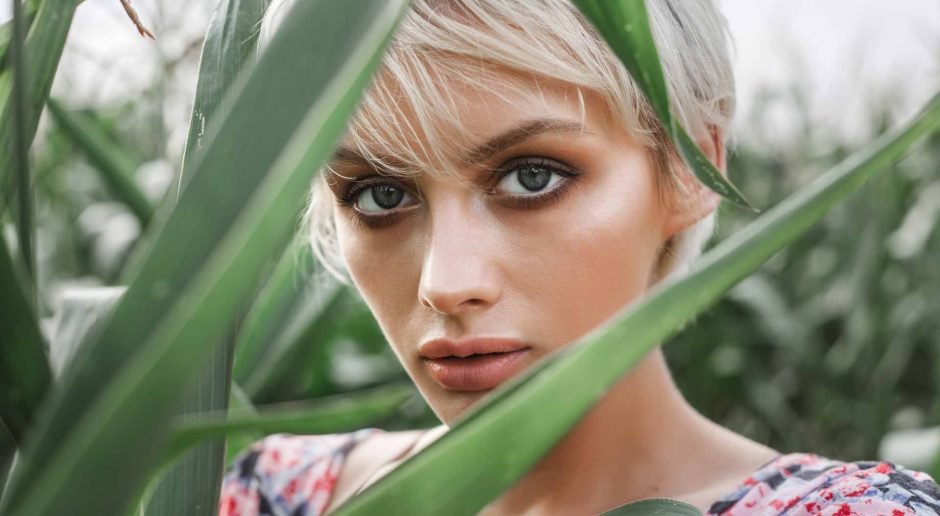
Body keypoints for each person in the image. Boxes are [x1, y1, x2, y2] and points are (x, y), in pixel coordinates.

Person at [218, 1, 940, 514]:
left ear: (691, 168)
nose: (446, 284)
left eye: (532, 177)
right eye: (379, 195)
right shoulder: (266, 497)